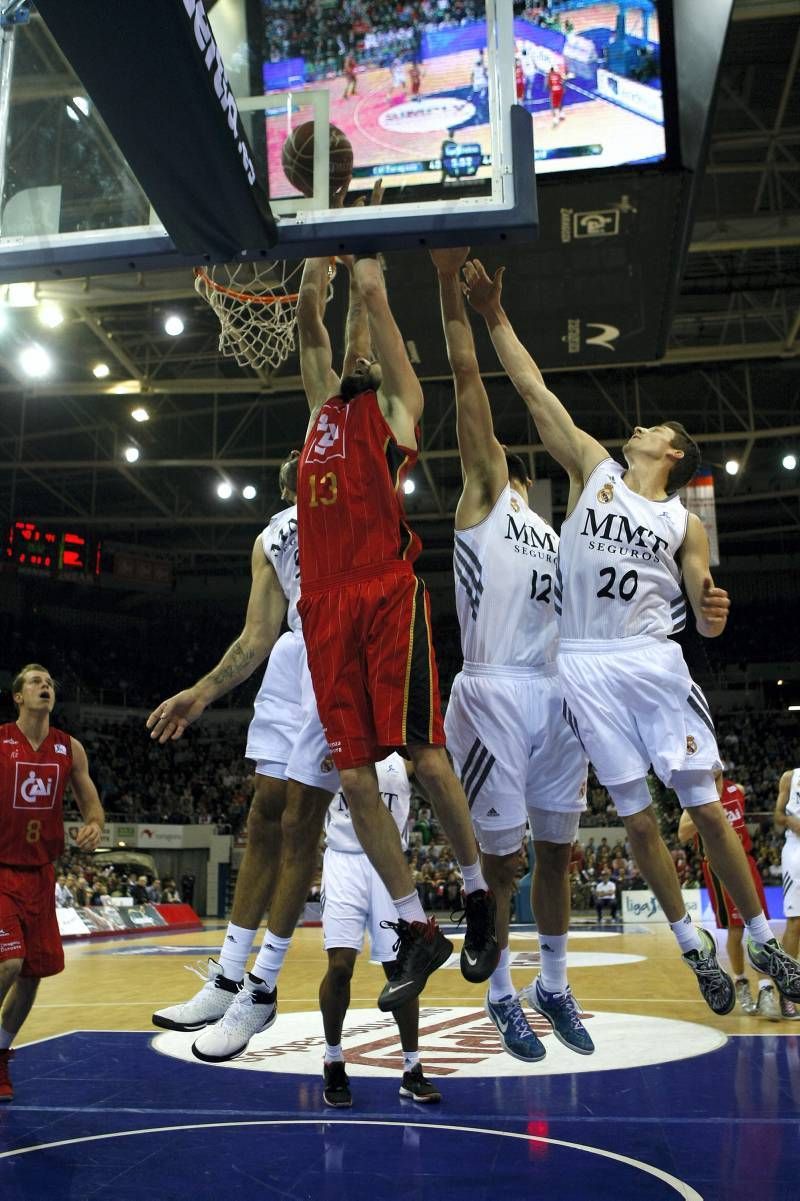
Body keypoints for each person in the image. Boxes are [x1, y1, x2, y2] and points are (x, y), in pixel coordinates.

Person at [463, 256, 800, 1015]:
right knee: (638, 819)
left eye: (653, 428)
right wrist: (492, 315)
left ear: (672, 453)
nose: (637, 426)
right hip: (583, 663)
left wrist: (709, 607)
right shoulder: (596, 468)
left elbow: (699, 587)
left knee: (705, 806)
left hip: (652, 660)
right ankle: (692, 946)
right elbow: (532, 389)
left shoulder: (682, 518)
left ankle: (761, 931)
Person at [294, 245, 499, 1017]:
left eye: (371, 351)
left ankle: (479, 895)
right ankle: (417, 924)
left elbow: (372, 316)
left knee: (422, 752)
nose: (358, 355)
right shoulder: (320, 409)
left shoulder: (391, 412)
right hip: (323, 606)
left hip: (383, 590)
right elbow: (314, 321)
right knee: (353, 778)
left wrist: (370, 285)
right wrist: (316, 259)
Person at [431, 248, 591, 1064]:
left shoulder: (556, 536)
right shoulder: (485, 496)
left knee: (557, 849)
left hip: (554, 693)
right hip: (494, 691)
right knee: (505, 859)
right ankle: (499, 995)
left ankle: (553, 983)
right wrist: (450, 291)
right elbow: (467, 384)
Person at [148, 450, 334, 1037]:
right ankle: (228, 976)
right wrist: (202, 693)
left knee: (302, 821)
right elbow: (257, 634)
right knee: (263, 816)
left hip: (337, 650)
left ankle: (263, 987)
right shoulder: (273, 537)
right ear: (287, 485)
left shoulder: (350, 505)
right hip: (291, 656)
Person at [0, 664, 105, 1102]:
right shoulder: (1, 740)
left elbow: (90, 803)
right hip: (2, 869)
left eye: (49, 683)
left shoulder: (70, 748)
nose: (45, 687)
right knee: (8, 963)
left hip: (42, 873)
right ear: (18, 697)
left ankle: (1, 1055)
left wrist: (95, 824)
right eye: (35, 683)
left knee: (32, 976)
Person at [319, 754, 441, 1107]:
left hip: (388, 863)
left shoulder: (404, 758)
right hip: (343, 860)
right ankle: (333, 1060)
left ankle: (412, 1067)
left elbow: (439, 782)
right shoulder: (334, 743)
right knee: (340, 966)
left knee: (401, 971)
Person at [678, 773, 788, 1020]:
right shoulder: (695, 797)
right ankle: (740, 982)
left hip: (745, 861)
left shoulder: (737, 789)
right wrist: (705, 811)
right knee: (736, 930)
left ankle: (766, 989)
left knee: (760, 927)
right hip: (717, 866)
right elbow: (682, 834)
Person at [775, 766, 800, 1018]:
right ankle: (787, 993)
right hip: (797, 852)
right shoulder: (791, 777)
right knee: (795, 924)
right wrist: (789, 821)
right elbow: (777, 816)